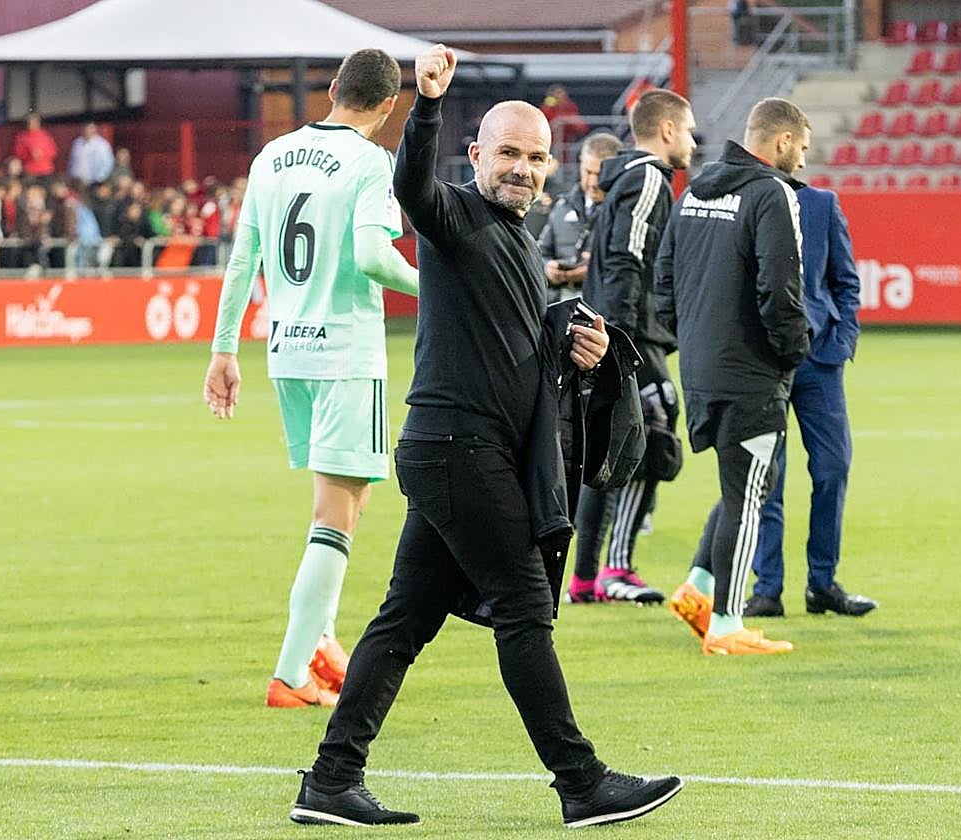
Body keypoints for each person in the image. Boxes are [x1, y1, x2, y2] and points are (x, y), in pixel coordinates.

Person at [291, 43, 682, 829]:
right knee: (523, 607)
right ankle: (581, 781)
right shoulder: (457, 216)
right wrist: (429, 104)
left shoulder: (515, 239)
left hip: (461, 452)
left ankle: (331, 781)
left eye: (537, 158)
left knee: (404, 620)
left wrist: (578, 341)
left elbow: (515, 338)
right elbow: (410, 184)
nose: (525, 169)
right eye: (509, 153)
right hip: (457, 449)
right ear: (477, 155)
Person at [203, 48, 420, 709]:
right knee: (337, 513)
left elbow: (243, 262)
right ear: (389, 107)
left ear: (331, 90)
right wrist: (439, 286)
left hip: (286, 352)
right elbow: (371, 257)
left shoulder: (271, 156)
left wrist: (223, 352)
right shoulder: (370, 161)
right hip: (346, 354)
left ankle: (321, 641)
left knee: (350, 499)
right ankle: (292, 672)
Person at [657, 97, 810, 655]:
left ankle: (698, 587)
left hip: (701, 367)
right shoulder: (771, 195)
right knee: (750, 496)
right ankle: (725, 623)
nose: (803, 162)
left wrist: (692, 339)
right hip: (750, 372)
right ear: (783, 142)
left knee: (740, 486)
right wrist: (791, 353)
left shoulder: (694, 192)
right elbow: (780, 289)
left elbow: (663, 278)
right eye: (803, 149)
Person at [569, 89, 696, 604]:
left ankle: (584, 577)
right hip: (629, 340)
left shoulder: (623, 180)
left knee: (609, 450)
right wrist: (621, 347)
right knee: (656, 434)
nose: (691, 141)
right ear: (666, 131)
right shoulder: (647, 178)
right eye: (687, 130)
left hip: (615, 334)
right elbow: (626, 260)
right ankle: (615, 569)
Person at [745, 148, 875, 619]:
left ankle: (822, 584)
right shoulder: (748, 204)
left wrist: (843, 340)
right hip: (765, 363)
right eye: (799, 145)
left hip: (820, 362)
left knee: (832, 468)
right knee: (768, 479)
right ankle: (767, 589)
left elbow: (846, 281)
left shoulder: (821, 205)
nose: (802, 156)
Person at [537, 132, 621, 304]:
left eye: (600, 174)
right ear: (580, 165)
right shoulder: (562, 206)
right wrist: (547, 268)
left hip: (606, 313)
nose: (593, 182)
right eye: (588, 172)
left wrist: (596, 268)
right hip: (559, 309)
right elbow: (540, 253)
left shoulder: (625, 211)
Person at [13, 114, 59, 179]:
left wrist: (43, 154)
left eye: (34, 122)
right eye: (30, 123)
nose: (32, 125)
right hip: (29, 170)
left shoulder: (46, 136)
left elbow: (53, 152)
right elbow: (18, 153)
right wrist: (29, 154)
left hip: (45, 170)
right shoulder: (22, 137)